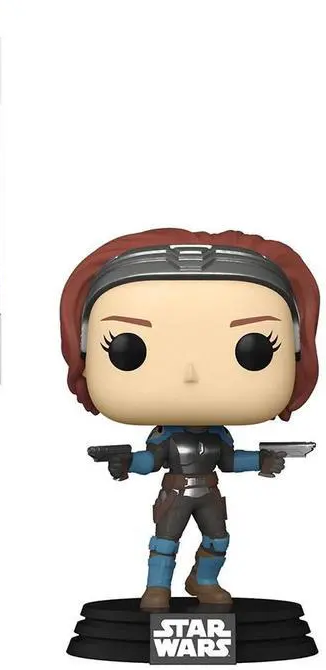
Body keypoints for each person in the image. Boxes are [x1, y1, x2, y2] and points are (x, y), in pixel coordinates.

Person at [60, 229, 320, 610]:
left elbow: (229, 460)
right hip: (176, 492)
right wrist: (126, 462)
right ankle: (157, 589)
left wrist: (261, 461)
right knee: (165, 542)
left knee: (219, 540)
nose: (191, 375)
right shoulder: (166, 436)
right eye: (126, 349)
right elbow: (152, 459)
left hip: (209, 491)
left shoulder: (219, 435)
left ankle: (204, 580)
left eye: (255, 350)